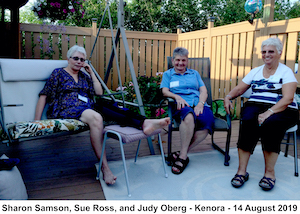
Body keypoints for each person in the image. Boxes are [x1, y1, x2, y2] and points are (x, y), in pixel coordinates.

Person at [34, 45, 170, 185]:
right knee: (96, 117)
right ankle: (105, 168)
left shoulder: (83, 76)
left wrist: (91, 73)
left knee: (113, 108)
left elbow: (99, 92)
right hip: (66, 108)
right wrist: (36, 122)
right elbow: (44, 96)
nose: (79, 61)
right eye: (76, 58)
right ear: (68, 59)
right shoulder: (58, 73)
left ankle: (144, 122)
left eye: (82, 59)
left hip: (86, 107)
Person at [224, 37, 299, 191]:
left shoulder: (286, 71)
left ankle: (269, 174)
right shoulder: (255, 71)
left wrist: (269, 112)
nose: (266, 54)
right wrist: (228, 97)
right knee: (247, 120)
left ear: (279, 53)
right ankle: (241, 171)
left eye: (270, 51)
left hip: (283, 108)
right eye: (264, 52)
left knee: (270, 124)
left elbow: (288, 98)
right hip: (256, 105)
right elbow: (240, 89)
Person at [160, 47, 215, 174]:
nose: (180, 63)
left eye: (183, 60)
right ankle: (183, 157)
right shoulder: (168, 74)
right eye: (177, 60)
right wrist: (176, 96)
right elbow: (165, 91)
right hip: (181, 104)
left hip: (198, 103)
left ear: (187, 61)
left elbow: (203, 90)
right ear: (173, 60)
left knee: (207, 124)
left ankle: (181, 153)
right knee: (188, 116)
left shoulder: (194, 73)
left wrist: (201, 104)